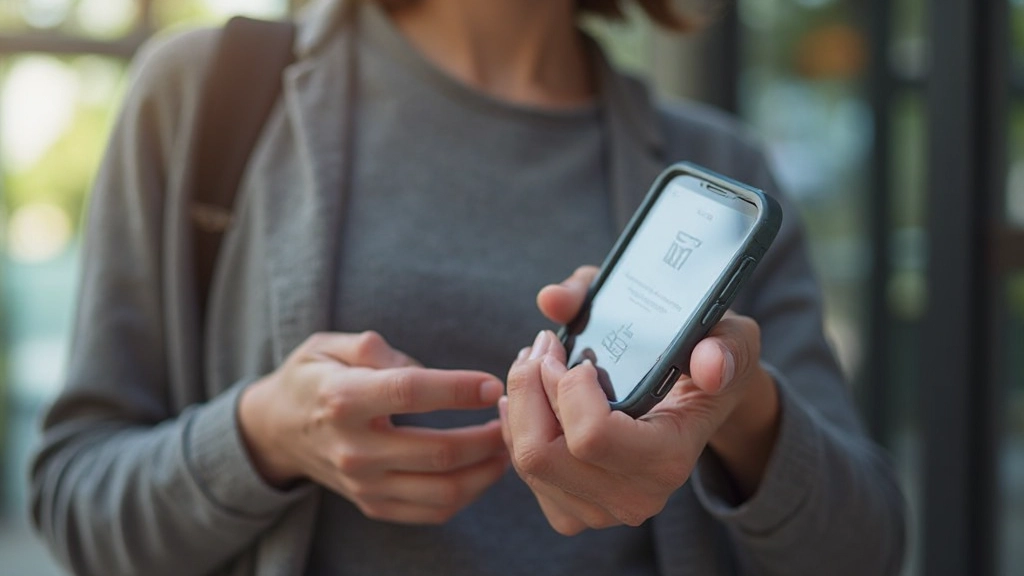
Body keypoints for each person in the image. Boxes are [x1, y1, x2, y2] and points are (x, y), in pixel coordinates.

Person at [30, 0, 906, 574]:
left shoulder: (718, 173)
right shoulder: (206, 98)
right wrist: (263, 435)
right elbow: (76, 506)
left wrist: (738, 406)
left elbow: (869, 545)